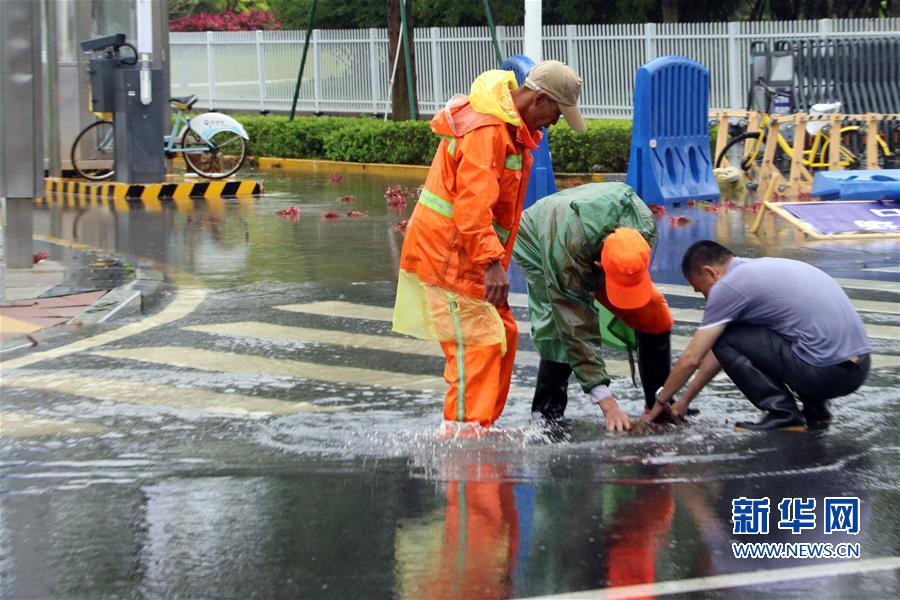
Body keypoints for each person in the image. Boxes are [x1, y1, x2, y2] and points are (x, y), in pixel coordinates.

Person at [392, 60, 587, 427]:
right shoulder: (488, 130)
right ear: (539, 99)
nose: (554, 123)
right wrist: (491, 264)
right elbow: (471, 208)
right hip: (448, 258)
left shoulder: (508, 131)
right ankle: (465, 437)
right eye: (556, 114)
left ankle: (480, 429)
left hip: (465, 256)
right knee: (478, 347)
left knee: (504, 335)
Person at [645, 240, 872, 431]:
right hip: (857, 368)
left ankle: (782, 413)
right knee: (796, 336)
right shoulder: (761, 270)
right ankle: (817, 410)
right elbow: (724, 354)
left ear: (709, 272)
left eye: (701, 289)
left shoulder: (729, 287)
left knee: (725, 336)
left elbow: (693, 357)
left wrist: (660, 401)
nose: (705, 298)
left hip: (825, 374)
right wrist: (684, 400)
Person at [511, 182, 675, 432]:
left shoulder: (644, 227)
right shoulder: (566, 251)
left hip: (588, 234)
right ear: (599, 266)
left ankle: (659, 404)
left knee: (654, 313)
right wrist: (608, 405)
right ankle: (547, 414)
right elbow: (575, 327)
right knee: (558, 328)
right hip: (539, 238)